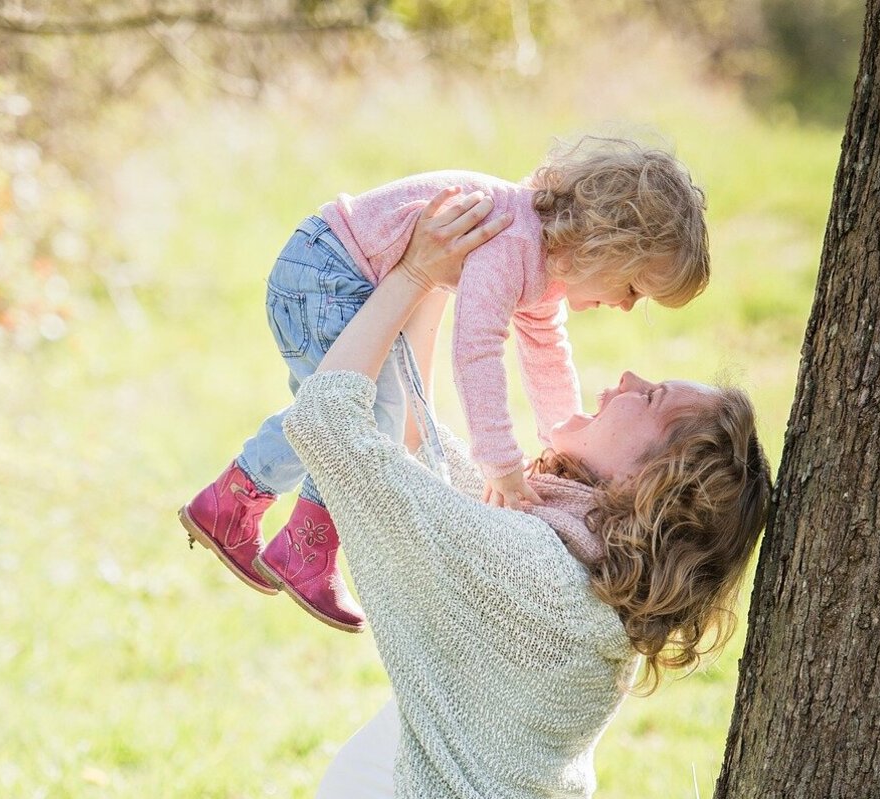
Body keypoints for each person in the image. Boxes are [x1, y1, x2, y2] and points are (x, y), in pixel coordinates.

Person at [284, 195, 773, 797]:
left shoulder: (536, 577)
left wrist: (412, 274)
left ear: (649, 484)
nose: (627, 380)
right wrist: (445, 279)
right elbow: (420, 451)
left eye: (649, 399)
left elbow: (328, 426)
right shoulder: (578, 559)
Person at [179, 137, 711, 633]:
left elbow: (546, 355)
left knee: (351, 410)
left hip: (336, 271)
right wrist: (500, 461)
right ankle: (302, 543)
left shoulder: (545, 265)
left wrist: (560, 443)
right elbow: (476, 349)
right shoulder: (516, 242)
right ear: (605, 245)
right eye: (634, 287)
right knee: (356, 414)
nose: (623, 305)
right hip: (327, 272)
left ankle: (235, 504)